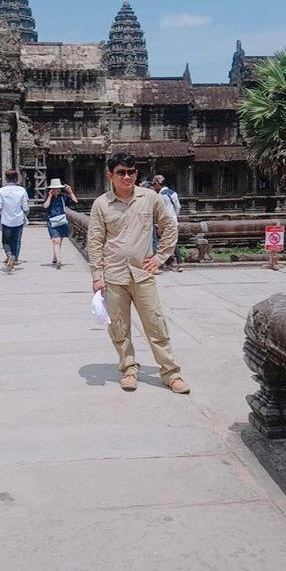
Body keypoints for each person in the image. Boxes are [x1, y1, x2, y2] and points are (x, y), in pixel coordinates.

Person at [88, 152, 191, 394]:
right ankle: (129, 370)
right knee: (119, 327)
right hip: (114, 275)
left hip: (142, 274)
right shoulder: (101, 204)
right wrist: (97, 276)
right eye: (121, 172)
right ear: (110, 176)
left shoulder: (150, 198)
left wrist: (159, 258)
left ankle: (170, 373)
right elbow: (95, 241)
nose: (127, 177)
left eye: (131, 172)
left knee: (156, 325)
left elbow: (169, 226)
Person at [0, 168, 29, 271]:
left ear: (6, 179)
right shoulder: (22, 190)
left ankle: (9, 254)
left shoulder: (1, 191)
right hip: (18, 219)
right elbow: (25, 207)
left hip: (6, 219)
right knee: (16, 240)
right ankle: (14, 258)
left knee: (6, 240)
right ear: (16, 178)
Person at [43, 177, 78, 269]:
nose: (57, 190)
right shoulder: (49, 197)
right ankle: (59, 260)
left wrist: (70, 192)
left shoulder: (63, 197)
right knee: (56, 240)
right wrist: (50, 196)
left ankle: (55, 256)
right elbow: (45, 206)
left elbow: (75, 202)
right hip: (52, 220)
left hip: (62, 220)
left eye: (58, 188)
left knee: (59, 240)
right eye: (55, 188)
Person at [153, 174, 183, 272]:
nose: (154, 187)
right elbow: (178, 207)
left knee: (163, 242)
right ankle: (178, 263)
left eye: (155, 185)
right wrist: (174, 216)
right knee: (173, 242)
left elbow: (159, 210)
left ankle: (169, 262)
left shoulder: (160, 195)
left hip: (164, 222)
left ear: (158, 184)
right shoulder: (173, 193)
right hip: (173, 221)